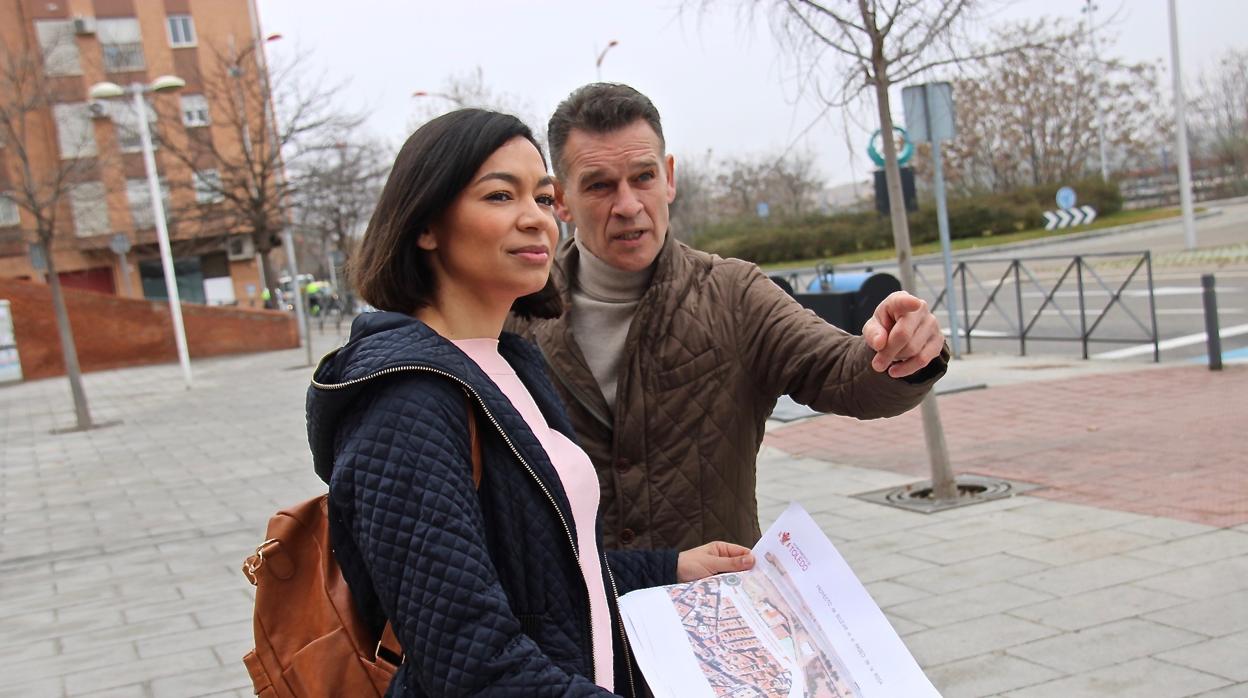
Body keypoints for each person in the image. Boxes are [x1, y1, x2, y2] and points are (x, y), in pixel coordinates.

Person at [307, 109, 754, 696]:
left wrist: (669, 568)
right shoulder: (404, 400)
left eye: (544, 198)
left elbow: (548, 580)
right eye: (500, 196)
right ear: (426, 226)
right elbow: (468, 661)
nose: (536, 220)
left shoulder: (510, 364)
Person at [507, 84, 949, 552]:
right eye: (599, 185)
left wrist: (902, 349)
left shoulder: (732, 294)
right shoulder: (515, 308)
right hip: (570, 619)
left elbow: (843, 371)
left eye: (643, 177)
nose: (629, 205)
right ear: (560, 200)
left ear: (670, 177)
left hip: (713, 610)